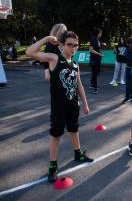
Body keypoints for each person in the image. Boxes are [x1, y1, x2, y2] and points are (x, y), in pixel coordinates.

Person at [26, 31, 94, 183]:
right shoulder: (54, 58)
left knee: (74, 129)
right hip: (59, 106)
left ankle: (78, 153)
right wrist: (46, 39)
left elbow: (79, 85)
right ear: (62, 45)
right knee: (56, 134)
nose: (73, 48)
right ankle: (53, 165)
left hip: (73, 105)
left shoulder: (75, 64)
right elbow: (29, 52)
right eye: (70, 44)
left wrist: (85, 104)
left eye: (76, 45)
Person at [89, 27, 104, 94]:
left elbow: (98, 46)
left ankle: (91, 84)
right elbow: (91, 50)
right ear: (98, 33)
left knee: (96, 73)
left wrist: (102, 44)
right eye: (100, 33)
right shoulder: (93, 39)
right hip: (94, 59)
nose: (101, 34)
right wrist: (99, 54)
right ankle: (95, 89)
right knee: (95, 73)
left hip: (98, 59)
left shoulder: (98, 39)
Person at [122, 38, 132, 104]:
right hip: (129, 68)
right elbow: (126, 57)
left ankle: (131, 96)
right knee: (129, 84)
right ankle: (127, 97)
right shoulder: (128, 50)